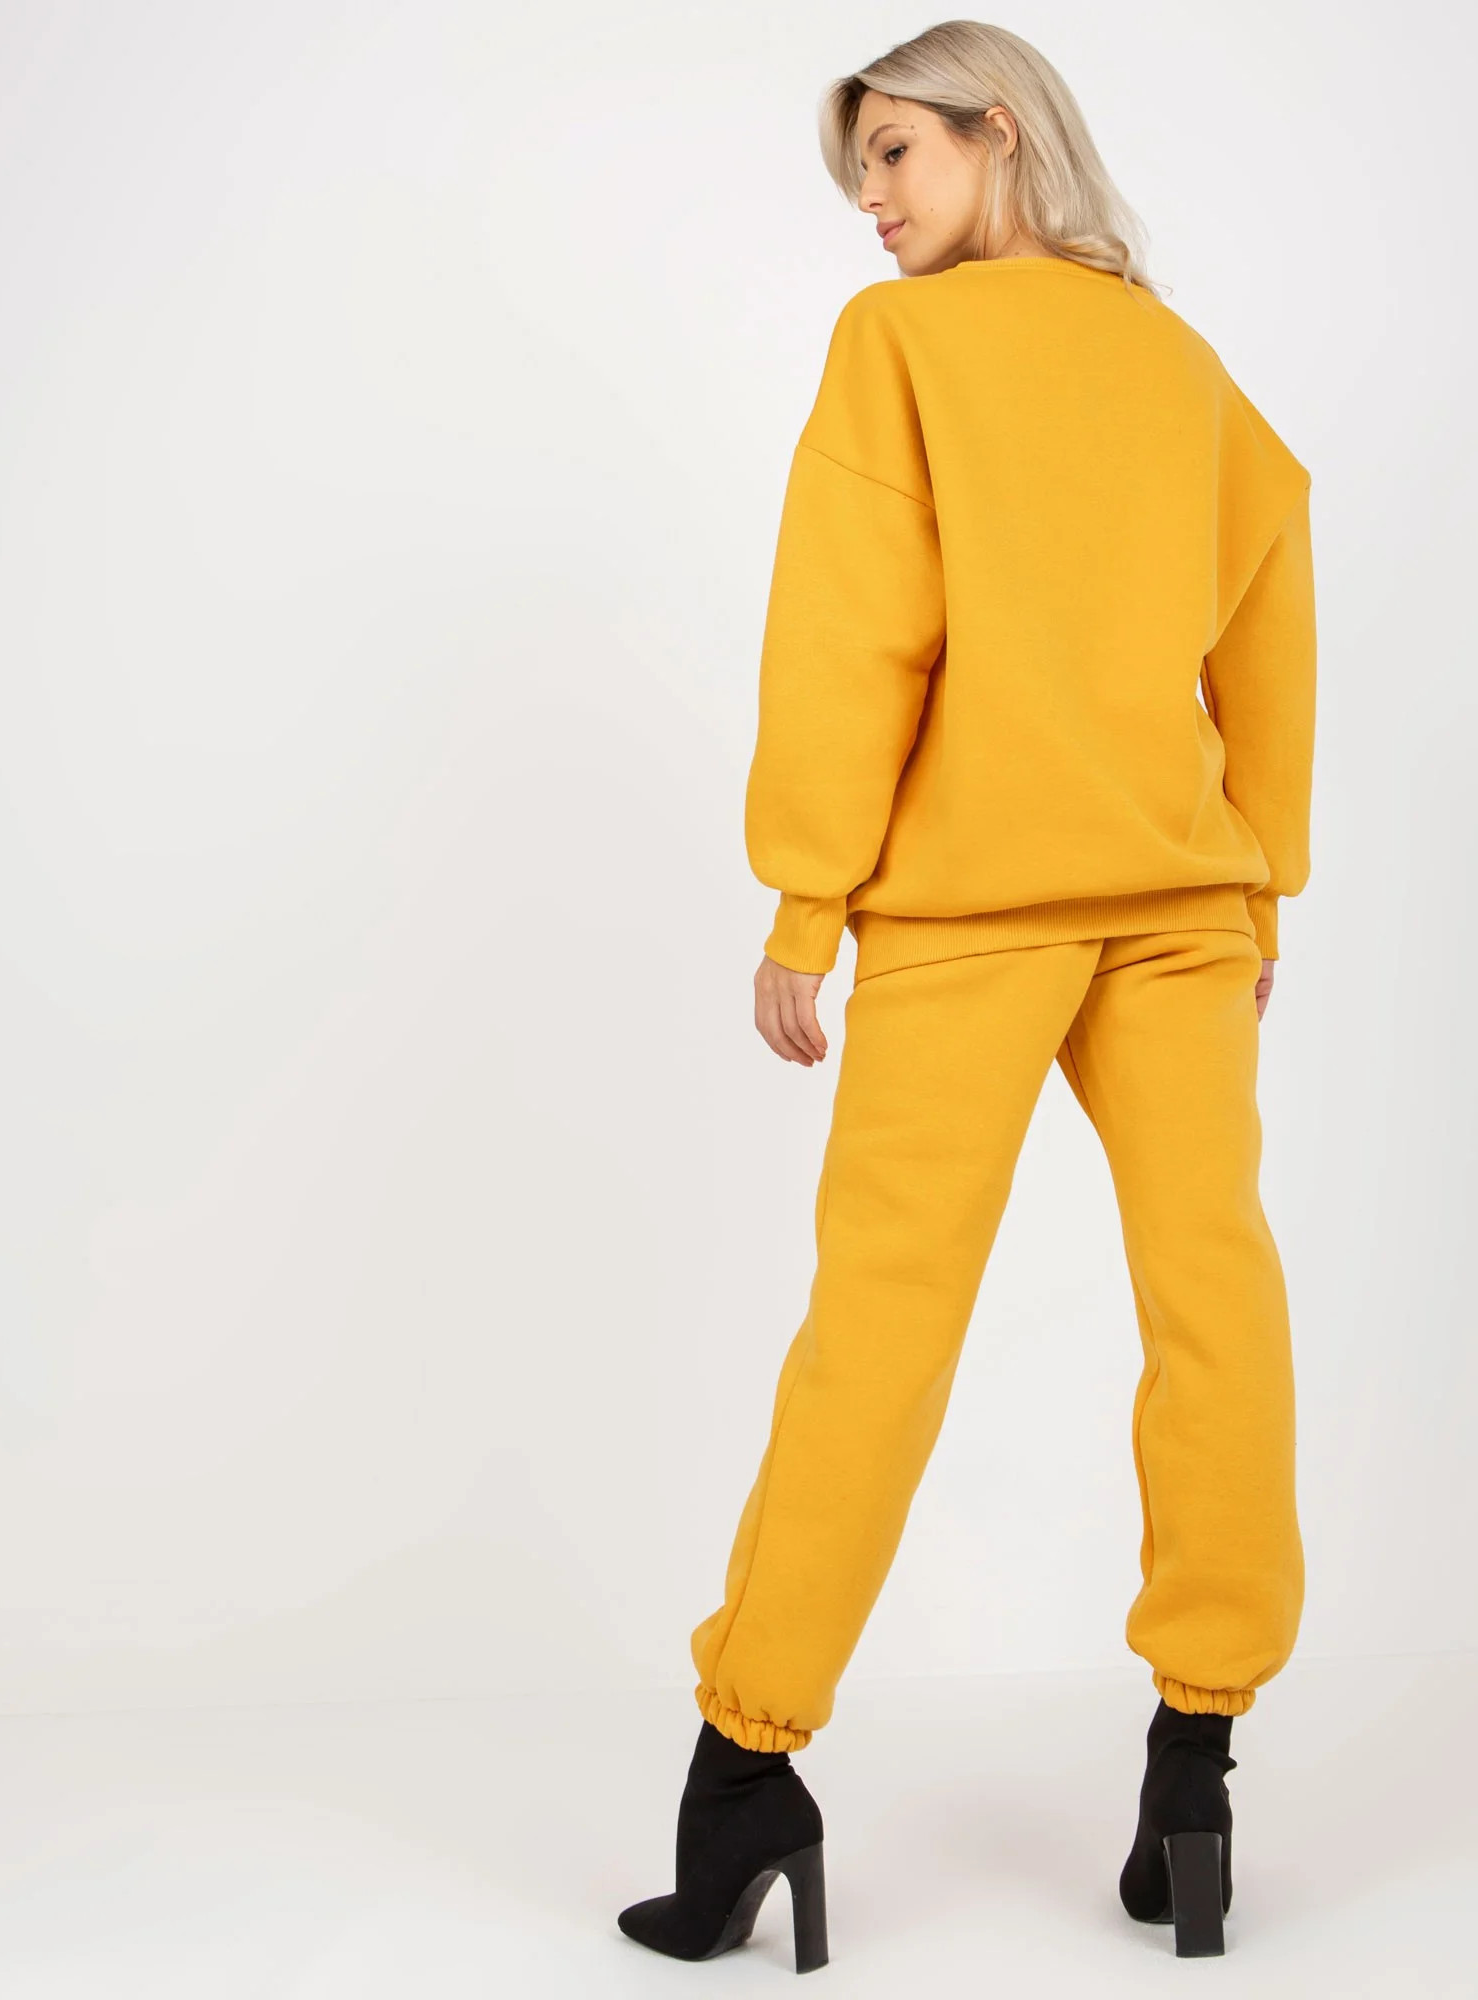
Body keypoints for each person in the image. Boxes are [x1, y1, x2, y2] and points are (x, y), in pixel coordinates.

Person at [618, 18, 1315, 1971]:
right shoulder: (1178, 359)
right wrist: (1267, 874)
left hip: (974, 915)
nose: (872, 199)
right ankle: (1197, 1764)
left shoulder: (903, 348)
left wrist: (805, 898)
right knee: (1214, 1301)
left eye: (897, 154)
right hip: (1185, 909)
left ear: (1000, 134)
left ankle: (747, 1769)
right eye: (862, 166)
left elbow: (860, 631)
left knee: (881, 1325)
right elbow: (1276, 588)